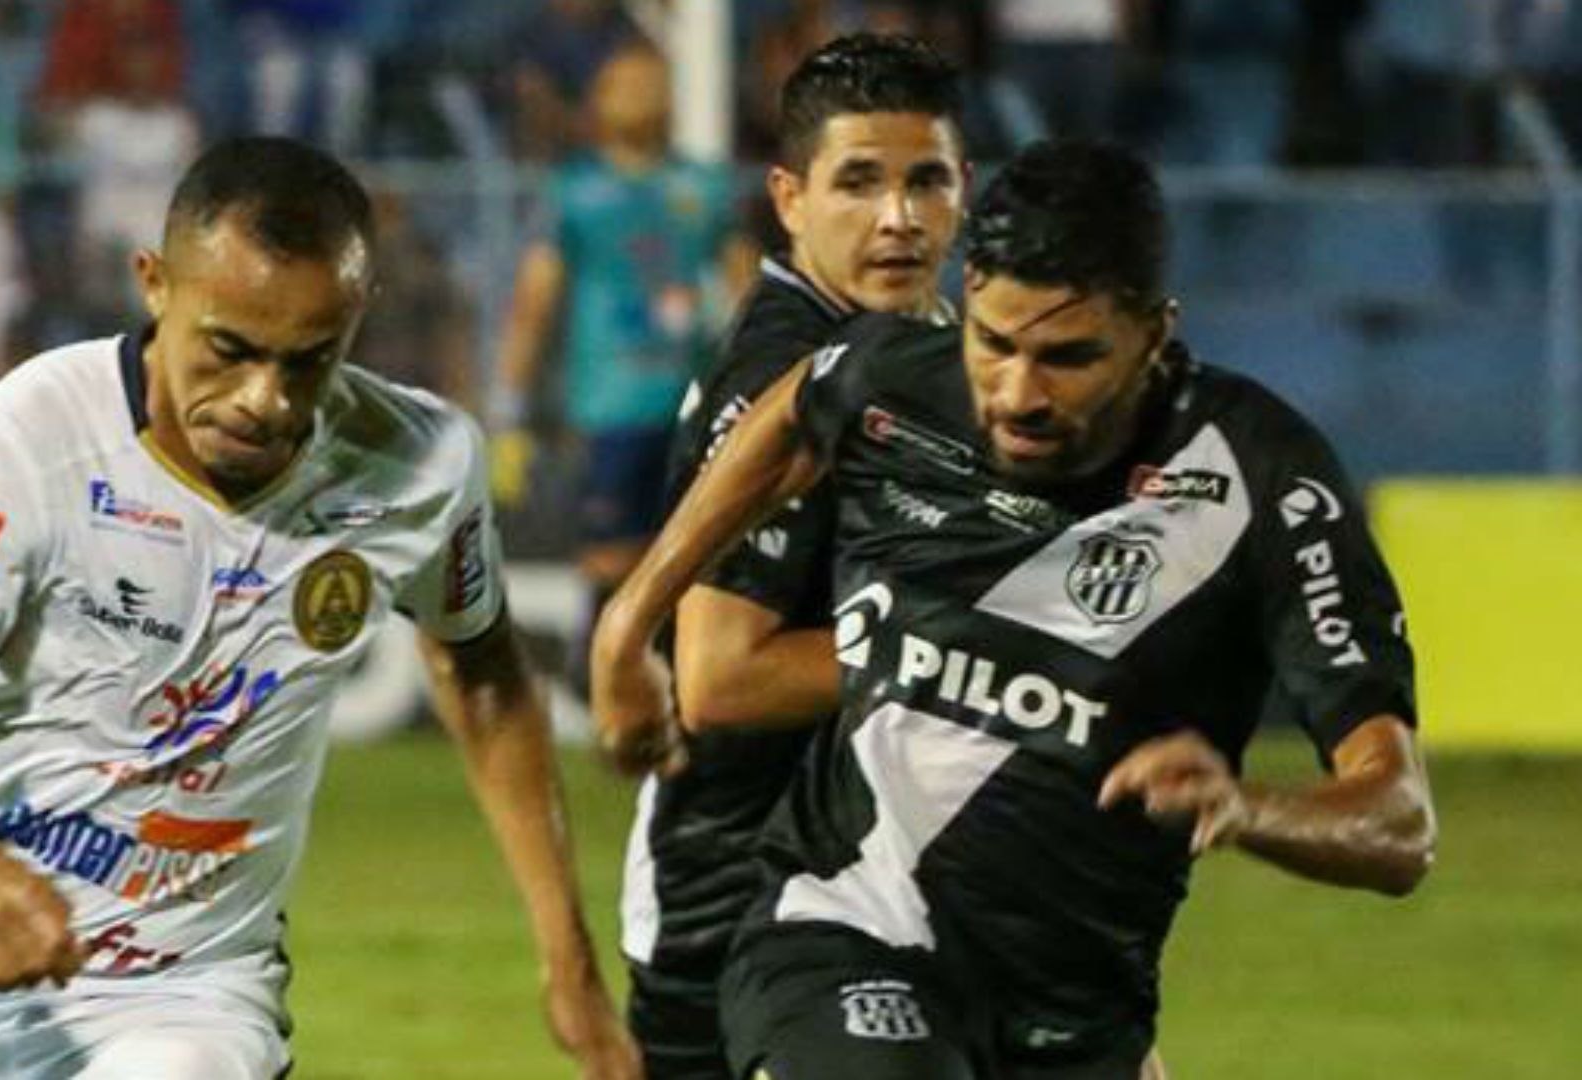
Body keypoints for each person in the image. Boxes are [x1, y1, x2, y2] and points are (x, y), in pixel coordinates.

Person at [0, 137, 639, 1080]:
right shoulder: (14, 450)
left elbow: (484, 679)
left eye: (309, 361)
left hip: (184, 991)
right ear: (154, 284)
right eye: (228, 350)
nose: (264, 401)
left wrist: (571, 961)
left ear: (358, 318)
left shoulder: (420, 464)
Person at [593, 139, 1436, 1079]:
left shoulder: (1262, 478)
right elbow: (797, 409)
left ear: (1156, 333)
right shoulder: (899, 380)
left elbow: (1399, 824)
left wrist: (1248, 810)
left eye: (1068, 357)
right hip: (845, 929)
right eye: (993, 343)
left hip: (1076, 1018)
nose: (1018, 392)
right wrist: (632, 621)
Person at [613, 33, 970, 1080]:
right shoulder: (780, 376)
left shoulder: (921, 345)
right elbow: (722, 679)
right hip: (739, 902)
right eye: (858, 183)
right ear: (790, 198)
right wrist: (976, 657)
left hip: (878, 890)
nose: (897, 217)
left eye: (927, 181)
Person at [494, 40, 755, 682]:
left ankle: (675, 673)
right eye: (624, 80)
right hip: (611, 402)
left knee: (697, 545)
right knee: (611, 552)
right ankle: (603, 674)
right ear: (599, 101)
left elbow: (749, 284)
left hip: (695, 401)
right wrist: (509, 402)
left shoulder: (703, 186)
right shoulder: (575, 192)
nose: (641, 92)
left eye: (652, 79)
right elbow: (536, 298)